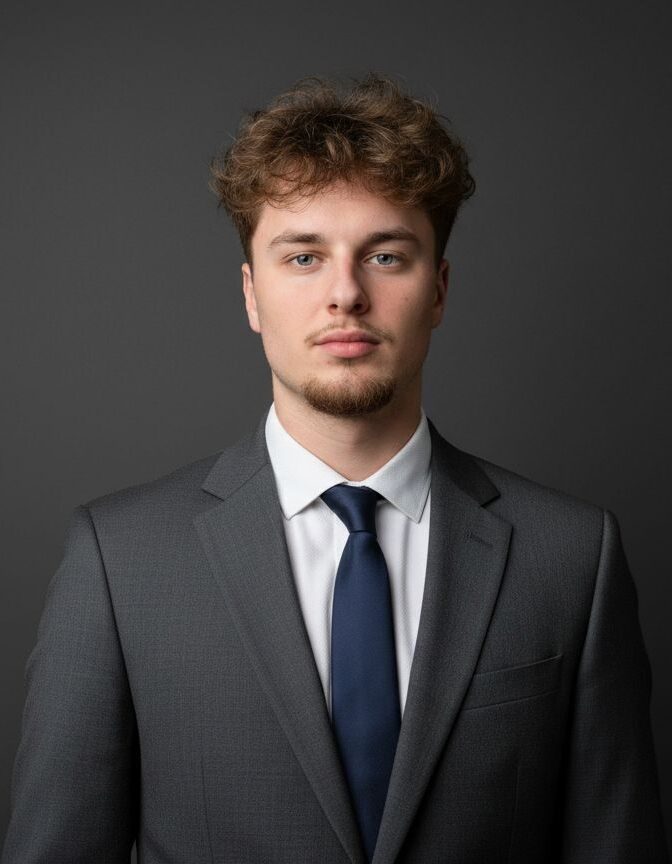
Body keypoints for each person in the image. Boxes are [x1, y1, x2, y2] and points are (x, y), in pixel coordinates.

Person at [2, 73, 668, 864]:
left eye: (386, 255)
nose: (345, 294)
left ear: (439, 290)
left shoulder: (571, 555)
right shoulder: (121, 560)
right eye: (304, 257)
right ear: (252, 295)